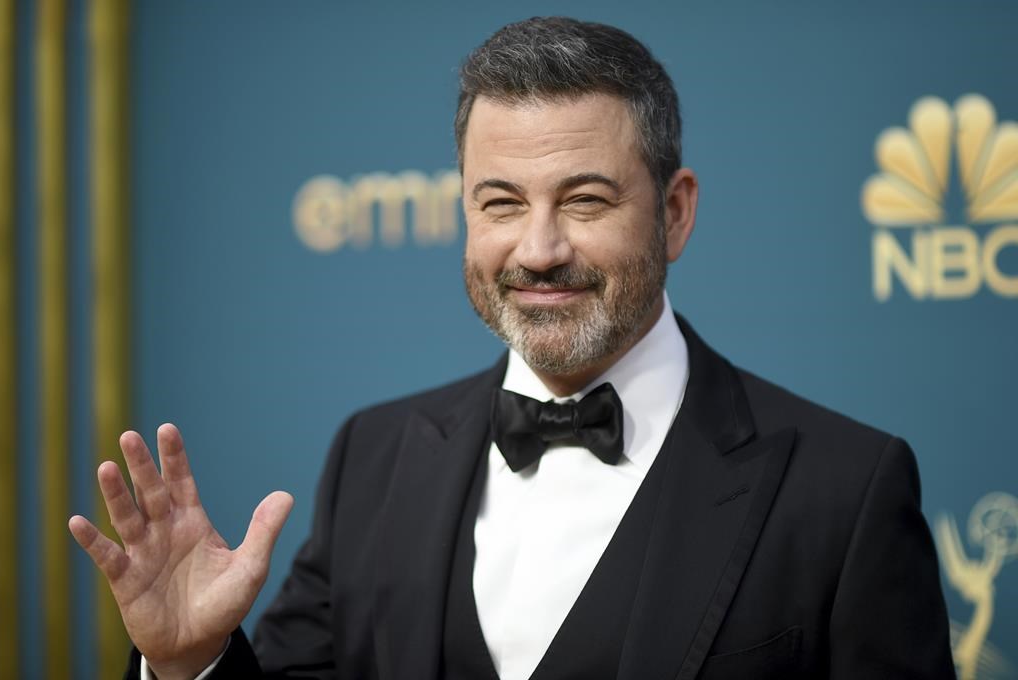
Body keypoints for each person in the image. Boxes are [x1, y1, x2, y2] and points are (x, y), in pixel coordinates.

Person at [69, 16, 956, 680]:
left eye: (585, 200)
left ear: (675, 212)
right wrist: (189, 664)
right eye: (500, 203)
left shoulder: (845, 490)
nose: (538, 250)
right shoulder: (374, 459)